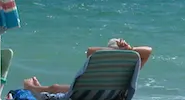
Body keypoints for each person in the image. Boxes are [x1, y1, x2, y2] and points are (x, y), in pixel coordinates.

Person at [22, 38, 153, 95]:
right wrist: (130, 49)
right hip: (115, 96)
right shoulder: (130, 67)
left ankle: (32, 88)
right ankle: (37, 89)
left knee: (56, 88)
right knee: (58, 87)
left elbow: (90, 51)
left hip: (88, 94)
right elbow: (148, 51)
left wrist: (111, 50)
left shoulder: (101, 63)